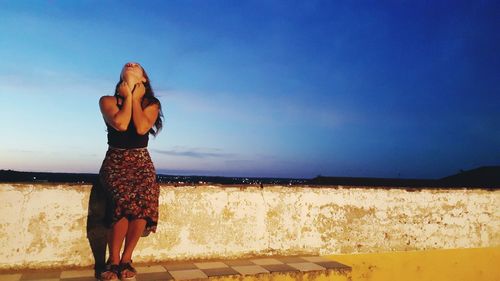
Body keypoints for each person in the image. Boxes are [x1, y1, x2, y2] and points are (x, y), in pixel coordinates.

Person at [97, 62, 163, 281]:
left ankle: (126, 259)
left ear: (144, 79)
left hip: (141, 161)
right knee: (123, 198)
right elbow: (122, 124)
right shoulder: (107, 101)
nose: (131, 64)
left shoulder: (151, 103)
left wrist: (134, 98)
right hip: (116, 161)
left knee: (145, 198)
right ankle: (113, 261)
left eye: (137, 66)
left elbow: (143, 127)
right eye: (128, 64)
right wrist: (127, 98)